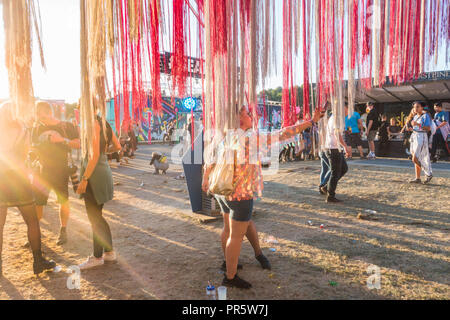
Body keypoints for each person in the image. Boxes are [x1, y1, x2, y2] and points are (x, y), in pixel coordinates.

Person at [203, 106, 325, 289]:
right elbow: (285, 133)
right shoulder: (251, 138)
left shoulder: (224, 135)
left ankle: (232, 262)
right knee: (235, 236)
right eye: (248, 113)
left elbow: (210, 159)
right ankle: (230, 276)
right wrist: (311, 122)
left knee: (229, 230)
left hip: (222, 190)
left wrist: (206, 178)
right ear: (242, 119)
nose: (253, 116)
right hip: (239, 194)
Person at [0, 102, 56, 275]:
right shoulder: (23, 130)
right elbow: (25, 155)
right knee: (32, 221)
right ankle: (38, 261)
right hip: (19, 180)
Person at [31, 101, 80, 245]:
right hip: (41, 170)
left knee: (63, 201)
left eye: (41, 114)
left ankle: (63, 231)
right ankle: (36, 232)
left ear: (49, 112)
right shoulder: (37, 127)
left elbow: (78, 143)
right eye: (38, 115)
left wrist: (61, 140)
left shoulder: (66, 126)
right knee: (38, 202)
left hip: (61, 169)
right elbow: (33, 147)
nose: (40, 118)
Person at [76, 116, 121, 270]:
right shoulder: (103, 122)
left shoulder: (92, 124)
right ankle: (109, 252)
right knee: (97, 217)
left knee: (94, 218)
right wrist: (103, 152)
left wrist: (84, 179)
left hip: (93, 176)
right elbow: (117, 146)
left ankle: (97, 257)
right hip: (101, 171)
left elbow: (93, 156)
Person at [324, 113, 350, 203]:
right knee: (335, 172)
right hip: (333, 148)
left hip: (335, 148)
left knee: (344, 169)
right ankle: (330, 196)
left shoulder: (336, 117)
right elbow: (336, 134)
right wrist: (345, 146)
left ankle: (327, 187)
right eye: (348, 108)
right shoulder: (336, 117)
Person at [409, 101, 433, 184]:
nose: (415, 108)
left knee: (415, 158)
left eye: (417, 106)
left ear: (422, 107)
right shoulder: (415, 116)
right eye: (415, 107)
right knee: (415, 157)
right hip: (414, 135)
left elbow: (428, 128)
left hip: (421, 137)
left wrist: (418, 125)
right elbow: (416, 127)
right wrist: (412, 128)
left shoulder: (425, 116)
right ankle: (418, 178)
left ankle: (428, 173)